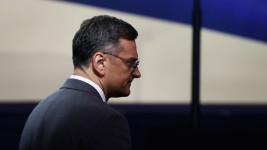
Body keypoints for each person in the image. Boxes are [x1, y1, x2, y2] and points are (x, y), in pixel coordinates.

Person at [19, 15, 141, 150]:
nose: (137, 73)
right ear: (100, 62)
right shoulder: (106, 120)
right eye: (131, 63)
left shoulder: (40, 110)